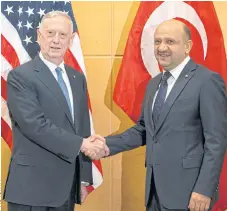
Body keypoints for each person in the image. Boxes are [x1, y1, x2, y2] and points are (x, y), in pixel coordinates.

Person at [88, 19, 227, 211]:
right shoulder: (153, 85)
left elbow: (216, 142)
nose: (162, 47)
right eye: (157, 41)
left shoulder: (207, 81)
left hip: (190, 194)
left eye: (170, 41)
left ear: (187, 46)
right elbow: (144, 130)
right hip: (154, 192)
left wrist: (204, 189)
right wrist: (105, 145)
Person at [4, 11, 107, 211]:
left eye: (62, 35)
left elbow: (83, 126)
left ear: (71, 39)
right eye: (50, 33)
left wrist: (84, 179)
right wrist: (83, 144)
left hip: (66, 189)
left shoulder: (77, 78)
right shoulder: (20, 77)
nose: (56, 41)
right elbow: (35, 125)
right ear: (38, 36)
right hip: (31, 189)